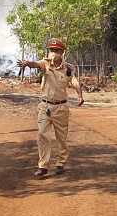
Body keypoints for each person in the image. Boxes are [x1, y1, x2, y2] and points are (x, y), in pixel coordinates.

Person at [18, 38, 84, 178]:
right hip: (45, 105)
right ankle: (43, 166)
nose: (54, 53)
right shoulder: (45, 64)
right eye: (52, 50)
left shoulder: (68, 69)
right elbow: (35, 64)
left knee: (61, 137)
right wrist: (26, 63)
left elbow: (74, 81)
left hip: (61, 107)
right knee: (43, 135)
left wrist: (79, 95)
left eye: (57, 51)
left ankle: (60, 164)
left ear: (62, 52)